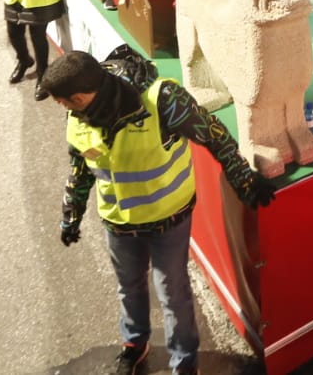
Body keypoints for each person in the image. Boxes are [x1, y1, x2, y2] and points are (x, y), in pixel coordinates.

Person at [43, 48, 276, 375]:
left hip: (169, 221)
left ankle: (185, 365)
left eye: (66, 102)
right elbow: (81, 167)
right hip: (119, 224)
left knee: (173, 295)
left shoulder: (163, 100)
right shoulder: (77, 113)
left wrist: (243, 179)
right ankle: (134, 345)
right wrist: (71, 213)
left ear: (81, 96)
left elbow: (214, 135)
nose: (63, 109)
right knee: (129, 288)